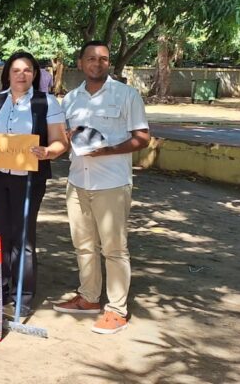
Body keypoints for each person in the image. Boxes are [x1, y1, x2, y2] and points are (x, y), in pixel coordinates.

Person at [53, 41, 150, 334]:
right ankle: (89, 297)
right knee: (83, 245)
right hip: (77, 182)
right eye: (91, 59)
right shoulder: (70, 99)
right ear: (80, 63)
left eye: (104, 59)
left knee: (114, 249)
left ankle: (117, 310)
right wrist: (64, 139)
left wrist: (108, 150)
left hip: (112, 182)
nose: (97, 63)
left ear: (109, 63)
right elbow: (64, 140)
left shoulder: (126, 95)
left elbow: (142, 138)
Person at [0, 51, 69, 317]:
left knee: (23, 236)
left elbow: (60, 142)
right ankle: (1, 289)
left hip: (29, 178)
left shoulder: (46, 102)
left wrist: (48, 152)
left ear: (35, 74)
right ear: (8, 73)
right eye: (16, 70)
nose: (21, 75)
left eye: (27, 70)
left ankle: (23, 295)